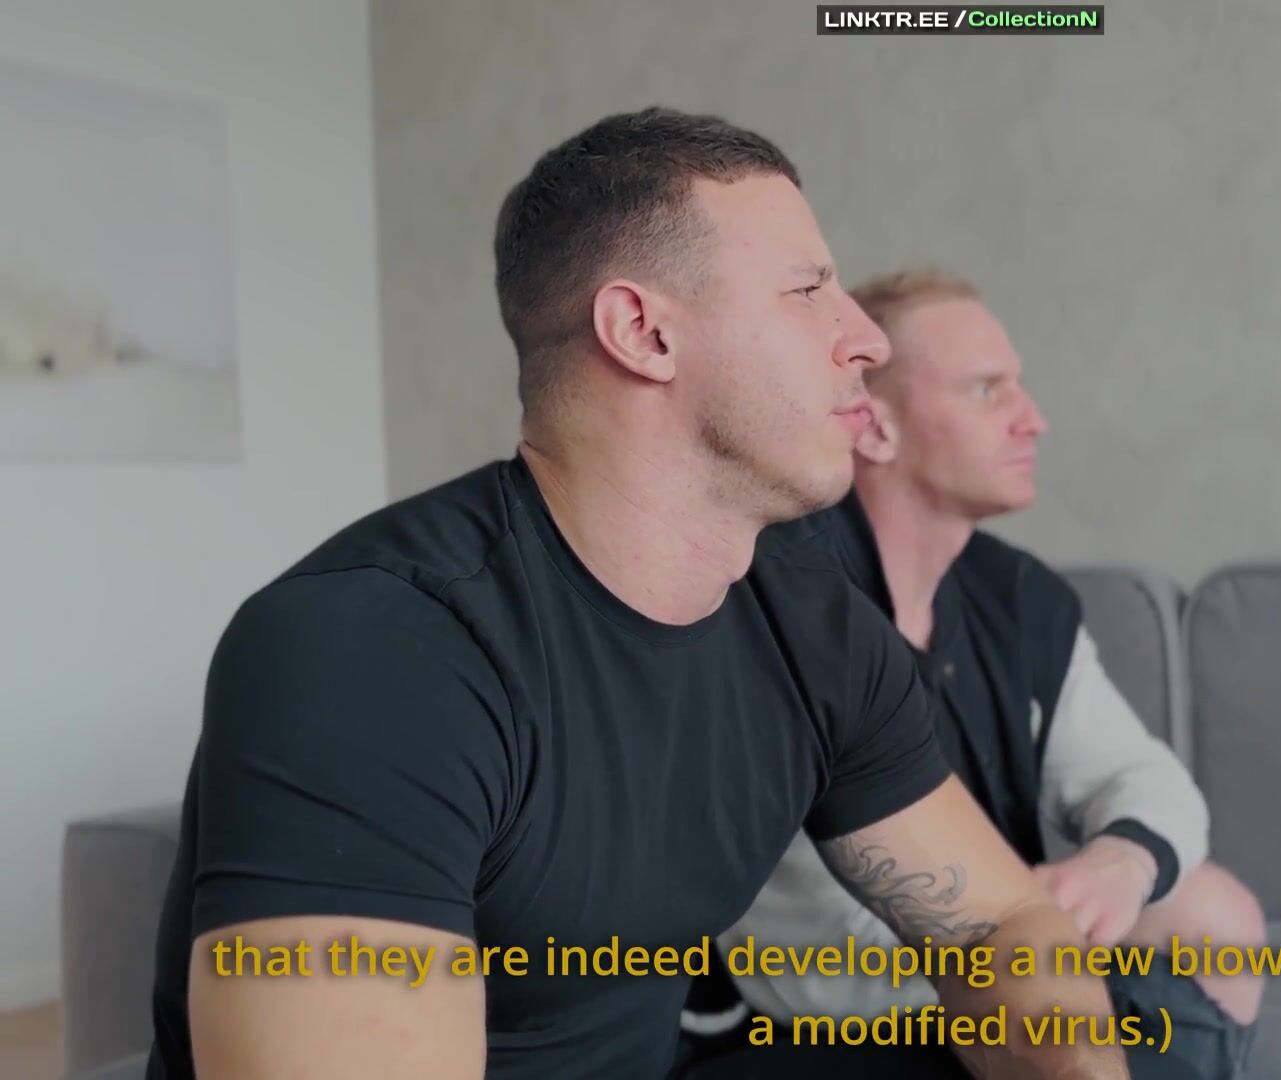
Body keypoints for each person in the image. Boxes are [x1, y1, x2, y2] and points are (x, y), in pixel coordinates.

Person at [144, 110, 1133, 1080]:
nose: (866, 340)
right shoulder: (376, 650)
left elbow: (1002, 925)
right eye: (808, 290)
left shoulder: (811, 626)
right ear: (644, 332)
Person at [704, 267, 1267, 1078]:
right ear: (875, 425)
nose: (1032, 419)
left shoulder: (1019, 597)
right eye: (985, 390)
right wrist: (1027, 945)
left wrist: (1120, 865)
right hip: (807, 1024)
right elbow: (818, 960)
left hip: (990, 958)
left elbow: (1146, 780)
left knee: (1214, 913)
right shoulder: (780, 605)